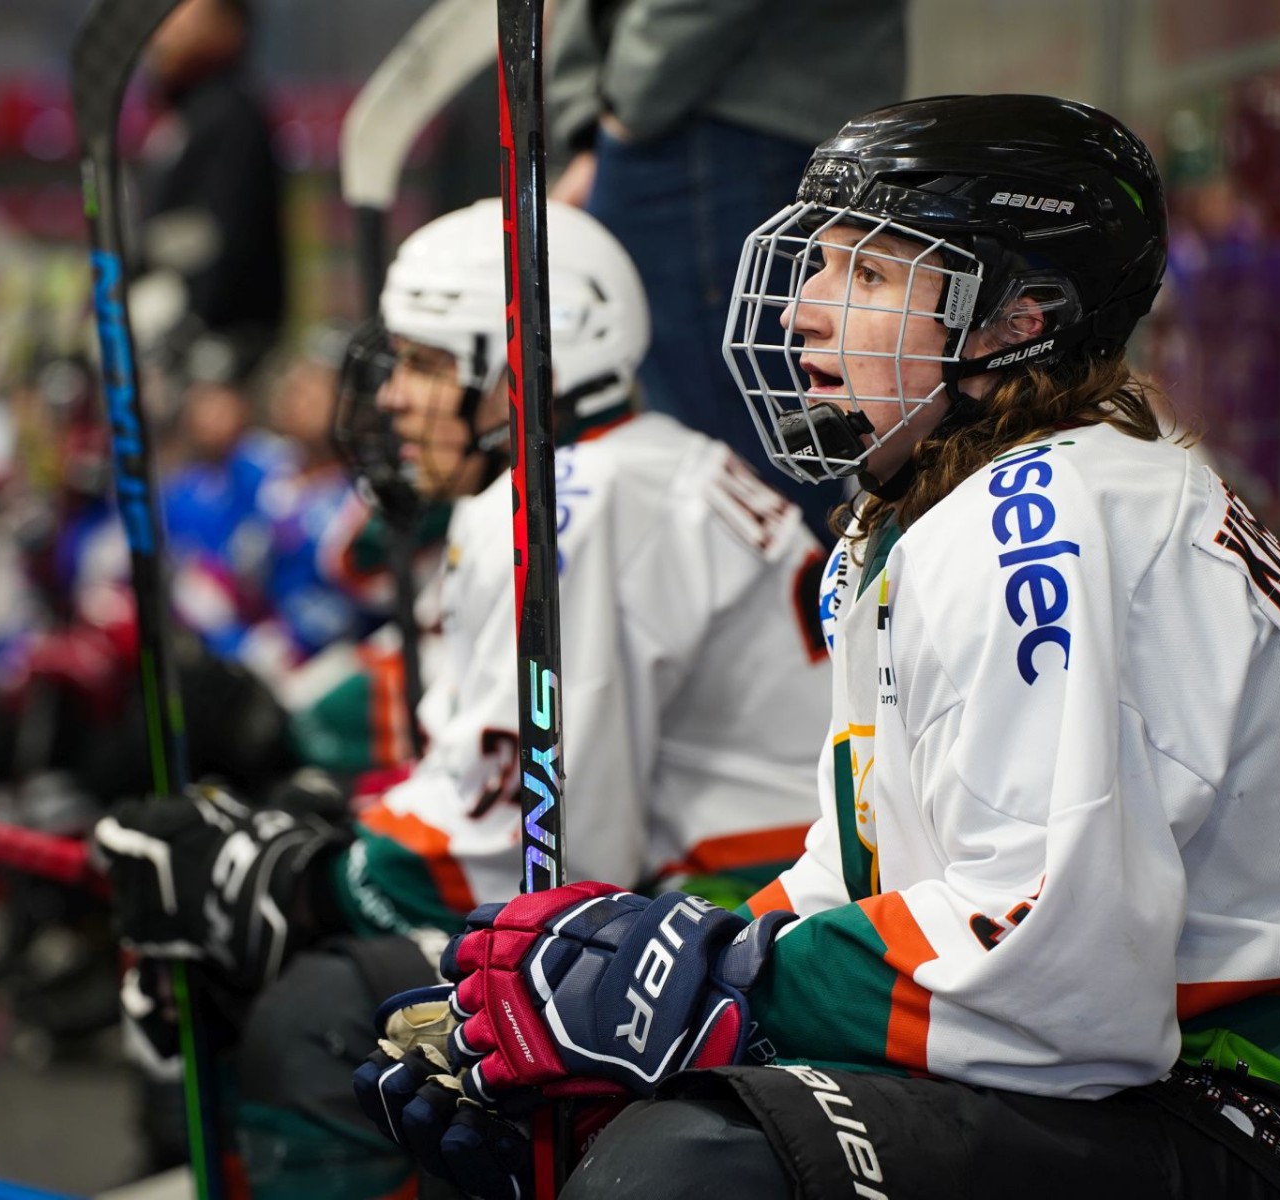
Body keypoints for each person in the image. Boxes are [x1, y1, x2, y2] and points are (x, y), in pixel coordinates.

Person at [357, 95, 1280, 1200]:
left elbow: (1052, 977)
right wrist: (668, 989)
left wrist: (723, 986)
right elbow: (875, 867)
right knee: (642, 1122)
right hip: (1189, 1076)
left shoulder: (1049, 519)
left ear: (1021, 317)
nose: (808, 306)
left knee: (699, 1168)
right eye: (820, 260)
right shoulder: (928, 515)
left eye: (868, 270)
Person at [95, 199, 832, 1197]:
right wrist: (325, 833)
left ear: (531, 362)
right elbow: (485, 776)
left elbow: (547, 843)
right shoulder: (608, 473)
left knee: (320, 1016)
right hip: (714, 902)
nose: (394, 395)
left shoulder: (570, 505)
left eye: (428, 363)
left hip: (740, 920)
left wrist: (307, 882)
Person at [545, 0, 905, 541]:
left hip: (706, 112)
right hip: (701, 111)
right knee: (757, 455)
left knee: (750, 474)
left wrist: (627, 113)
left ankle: (806, 621)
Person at [135, 0, 285, 384]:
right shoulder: (186, 116)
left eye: (184, 12)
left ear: (230, 26)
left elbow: (225, 243)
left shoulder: (233, 115)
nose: (165, 30)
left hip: (220, 362)